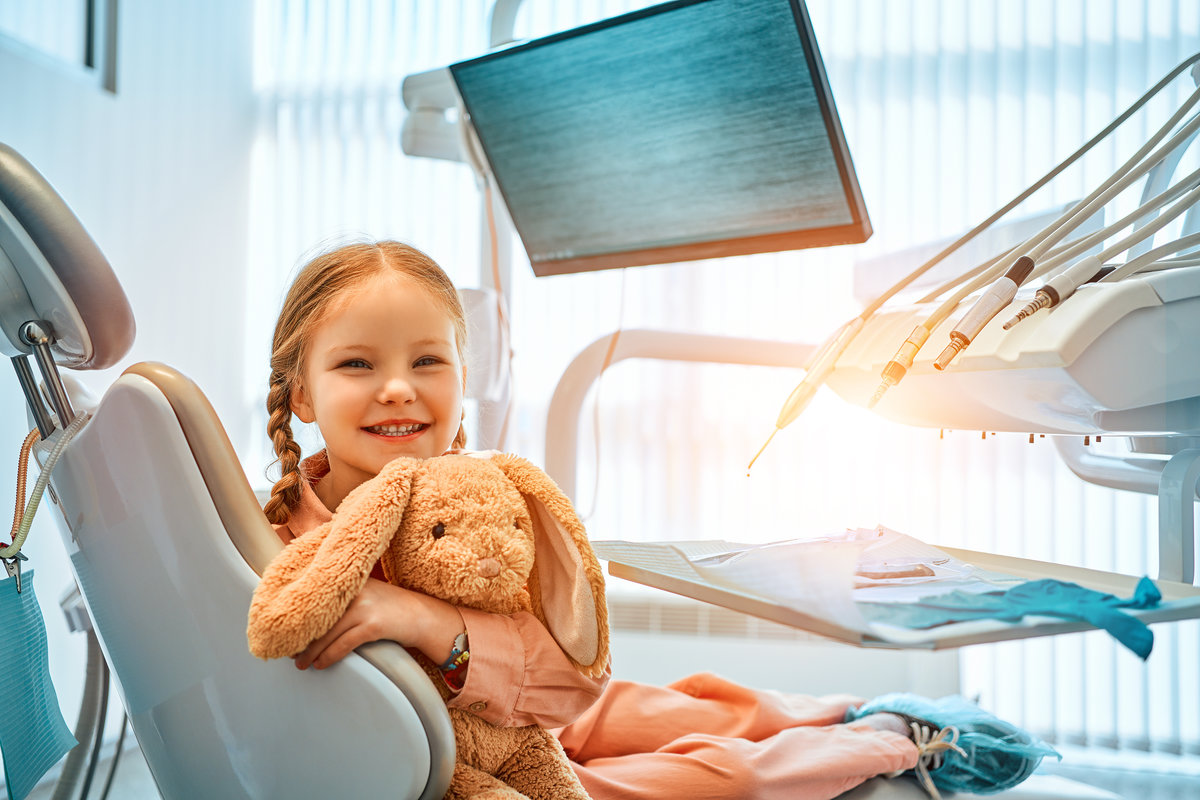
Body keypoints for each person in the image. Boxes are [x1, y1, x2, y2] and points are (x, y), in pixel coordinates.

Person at [262, 239, 1048, 800]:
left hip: (533, 708)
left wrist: (426, 620)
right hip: (474, 768)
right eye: (357, 364)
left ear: (463, 380)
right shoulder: (276, 541)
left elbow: (570, 689)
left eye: (426, 361)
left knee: (669, 704)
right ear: (301, 394)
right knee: (719, 776)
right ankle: (894, 743)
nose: (398, 388)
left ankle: (841, 707)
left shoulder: (490, 503)